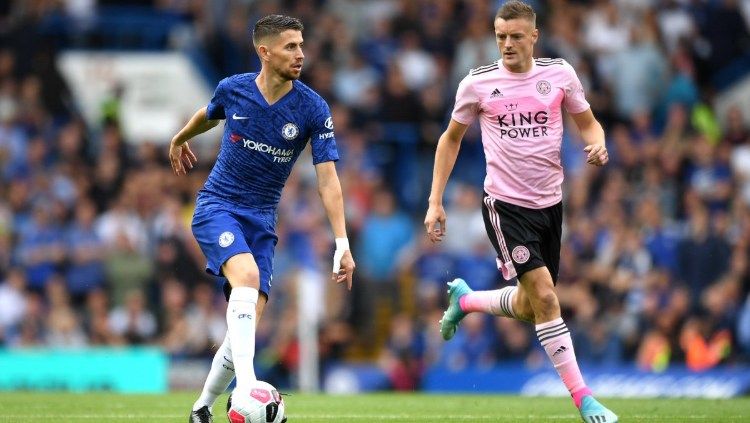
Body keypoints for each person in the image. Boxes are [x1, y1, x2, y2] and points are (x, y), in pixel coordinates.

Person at [423, 2, 617, 422]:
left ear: (533, 36)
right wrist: (435, 201)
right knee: (548, 297)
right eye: (500, 37)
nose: (507, 44)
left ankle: (467, 299)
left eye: (515, 36)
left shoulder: (560, 74)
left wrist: (598, 144)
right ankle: (585, 400)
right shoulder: (477, 84)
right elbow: (450, 140)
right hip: (504, 205)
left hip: (550, 204)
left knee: (533, 307)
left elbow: (589, 123)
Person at [169, 15, 355, 423]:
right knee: (247, 281)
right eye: (290, 46)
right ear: (264, 52)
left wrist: (342, 243)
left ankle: (201, 408)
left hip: (261, 222)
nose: (301, 54)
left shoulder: (311, 107)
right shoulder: (233, 89)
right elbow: (209, 113)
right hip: (218, 206)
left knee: (245, 327)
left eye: (302, 45)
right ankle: (249, 389)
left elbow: (328, 181)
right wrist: (181, 137)